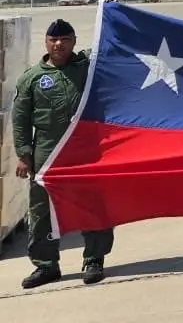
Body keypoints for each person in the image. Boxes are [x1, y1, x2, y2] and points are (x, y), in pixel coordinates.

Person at [11, 20, 115, 288]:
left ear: (73, 41)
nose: (59, 44)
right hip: (48, 150)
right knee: (42, 209)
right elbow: (20, 119)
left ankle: (93, 260)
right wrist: (24, 155)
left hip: (85, 150)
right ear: (46, 42)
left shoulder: (87, 69)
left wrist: (116, 12)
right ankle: (46, 266)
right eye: (53, 39)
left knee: (91, 204)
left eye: (65, 39)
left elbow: (112, 45)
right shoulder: (32, 78)